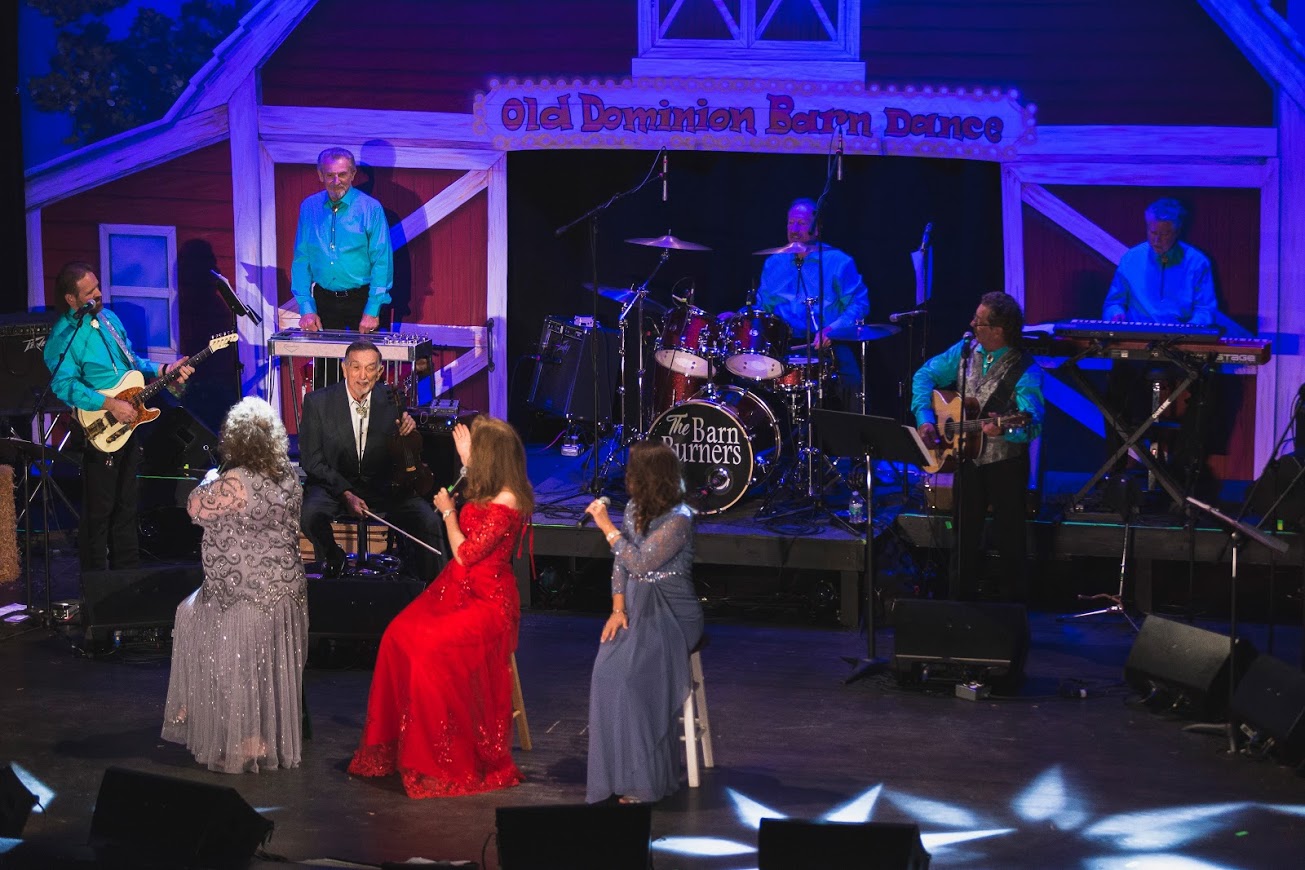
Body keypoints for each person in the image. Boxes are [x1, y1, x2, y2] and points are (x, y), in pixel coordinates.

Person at [348, 415, 534, 798]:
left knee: (427, 650)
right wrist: (467, 461)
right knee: (398, 635)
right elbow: (473, 500)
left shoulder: (508, 500)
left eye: (478, 453)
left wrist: (449, 511)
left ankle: (437, 750)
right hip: (456, 589)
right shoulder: (490, 482)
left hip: (486, 602)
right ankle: (399, 744)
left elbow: (465, 553)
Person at [161, 397, 307, 773]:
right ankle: (233, 724)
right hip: (288, 592)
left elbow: (194, 507)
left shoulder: (233, 482)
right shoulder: (289, 473)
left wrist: (211, 476)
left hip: (245, 594)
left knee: (198, 622)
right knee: (190, 609)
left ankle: (236, 734)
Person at [43, 261, 194, 571]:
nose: (99, 294)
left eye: (98, 287)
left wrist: (165, 370)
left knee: (127, 504)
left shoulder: (109, 319)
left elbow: (131, 363)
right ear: (71, 299)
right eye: (89, 292)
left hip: (129, 420)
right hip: (100, 425)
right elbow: (64, 384)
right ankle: (96, 584)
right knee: (99, 510)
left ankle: (128, 577)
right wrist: (109, 404)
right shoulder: (63, 336)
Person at [583, 441, 704, 805]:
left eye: (634, 472)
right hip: (635, 607)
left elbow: (640, 563)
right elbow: (620, 565)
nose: (627, 477)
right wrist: (618, 609)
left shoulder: (680, 519)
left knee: (634, 681)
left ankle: (643, 778)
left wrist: (605, 526)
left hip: (672, 613)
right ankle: (617, 772)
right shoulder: (636, 507)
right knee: (606, 674)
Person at [912, 291, 1044, 602]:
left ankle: (1012, 609)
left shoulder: (1026, 369)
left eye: (979, 322)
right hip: (966, 461)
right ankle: (960, 605)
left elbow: (1033, 421)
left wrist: (1003, 430)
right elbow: (925, 375)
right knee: (963, 538)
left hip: (1006, 464)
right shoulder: (964, 351)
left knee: (1010, 538)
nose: (972, 325)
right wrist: (925, 417)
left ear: (998, 331)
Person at [1102, 198, 1221, 494]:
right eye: (1152, 232)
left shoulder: (1197, 263)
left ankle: (1182, 470)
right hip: (1138, 343)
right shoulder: (1131, 258)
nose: (1156, 239)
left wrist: (1191, 329)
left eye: (1164, 234)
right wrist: (1115, 314)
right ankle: (1116, 470)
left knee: (1207, 389)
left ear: (1177, 231)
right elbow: (1115, 300)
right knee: (1113, 393)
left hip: (1180, 345)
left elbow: (1206, 309)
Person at [298, 339, 444, 580]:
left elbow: (401, 450)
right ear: (344, 369)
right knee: (310, 514)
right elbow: (311, 461)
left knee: (425, 517)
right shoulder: (317, 402)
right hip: (335, 483)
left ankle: (434, 590)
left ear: (380, 371)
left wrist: (409, 430)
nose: (362, 376)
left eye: (370, 368)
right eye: (356, 367)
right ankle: (334, 558)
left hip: (382, 484)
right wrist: (345, 492)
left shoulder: (392, 399)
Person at [752, 197, 869, 406]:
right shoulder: (774, 263)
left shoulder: (838, 261)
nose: (794, 229)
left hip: (826, 342)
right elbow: (762, 308)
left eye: (801, 223)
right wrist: (739, 316)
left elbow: (859, 304)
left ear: (817, 229)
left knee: (852, 386)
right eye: (790, 222)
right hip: (785, 345)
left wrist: (833, 329)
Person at [291, 147, 393, 334]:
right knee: (325, 364)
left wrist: (372, 310)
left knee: (364, 362)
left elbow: (382, 261)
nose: (336, 182)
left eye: (342, 175)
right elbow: (301, 259)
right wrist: (306, 307)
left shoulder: (370, 208)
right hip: (324, 300)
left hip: (363, 299)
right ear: (320, 175)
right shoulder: (309, 207)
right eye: (330, 175)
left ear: (353, 174)